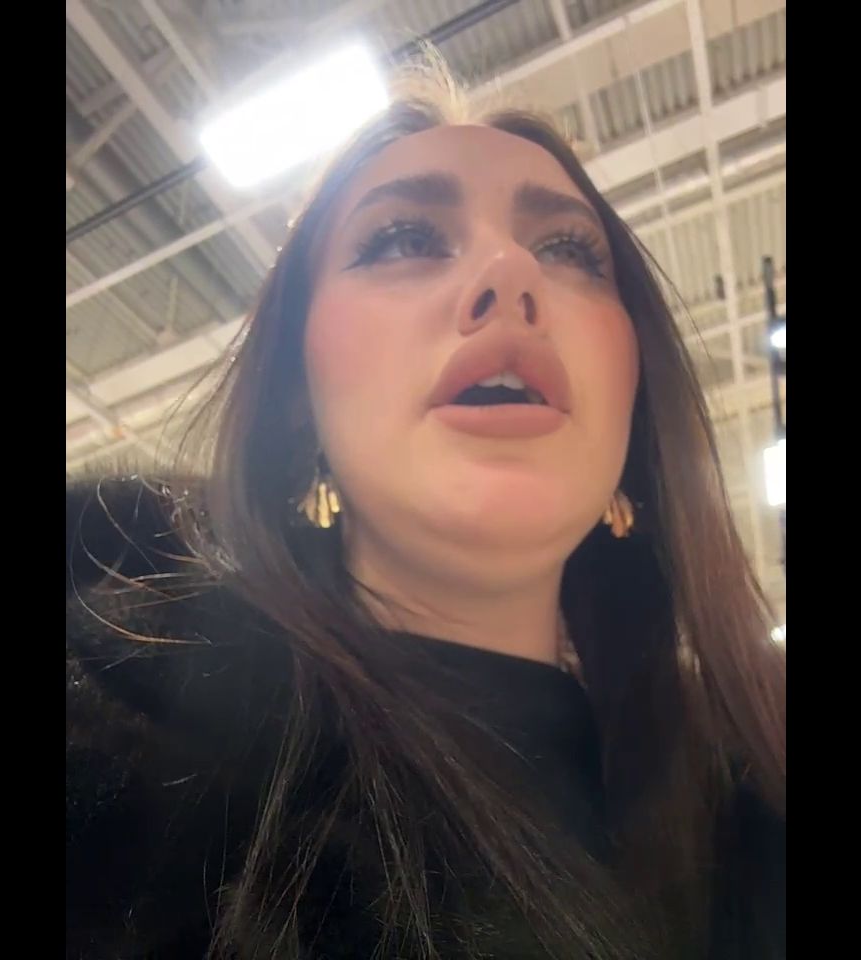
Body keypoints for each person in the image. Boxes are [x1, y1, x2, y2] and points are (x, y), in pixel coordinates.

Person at [66, 58, 785, 960]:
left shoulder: (753, 814)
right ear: (298, 403)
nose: (509, 270)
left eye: (569, 249)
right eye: (403, 237)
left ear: (636, 409)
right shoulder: (114, 777)